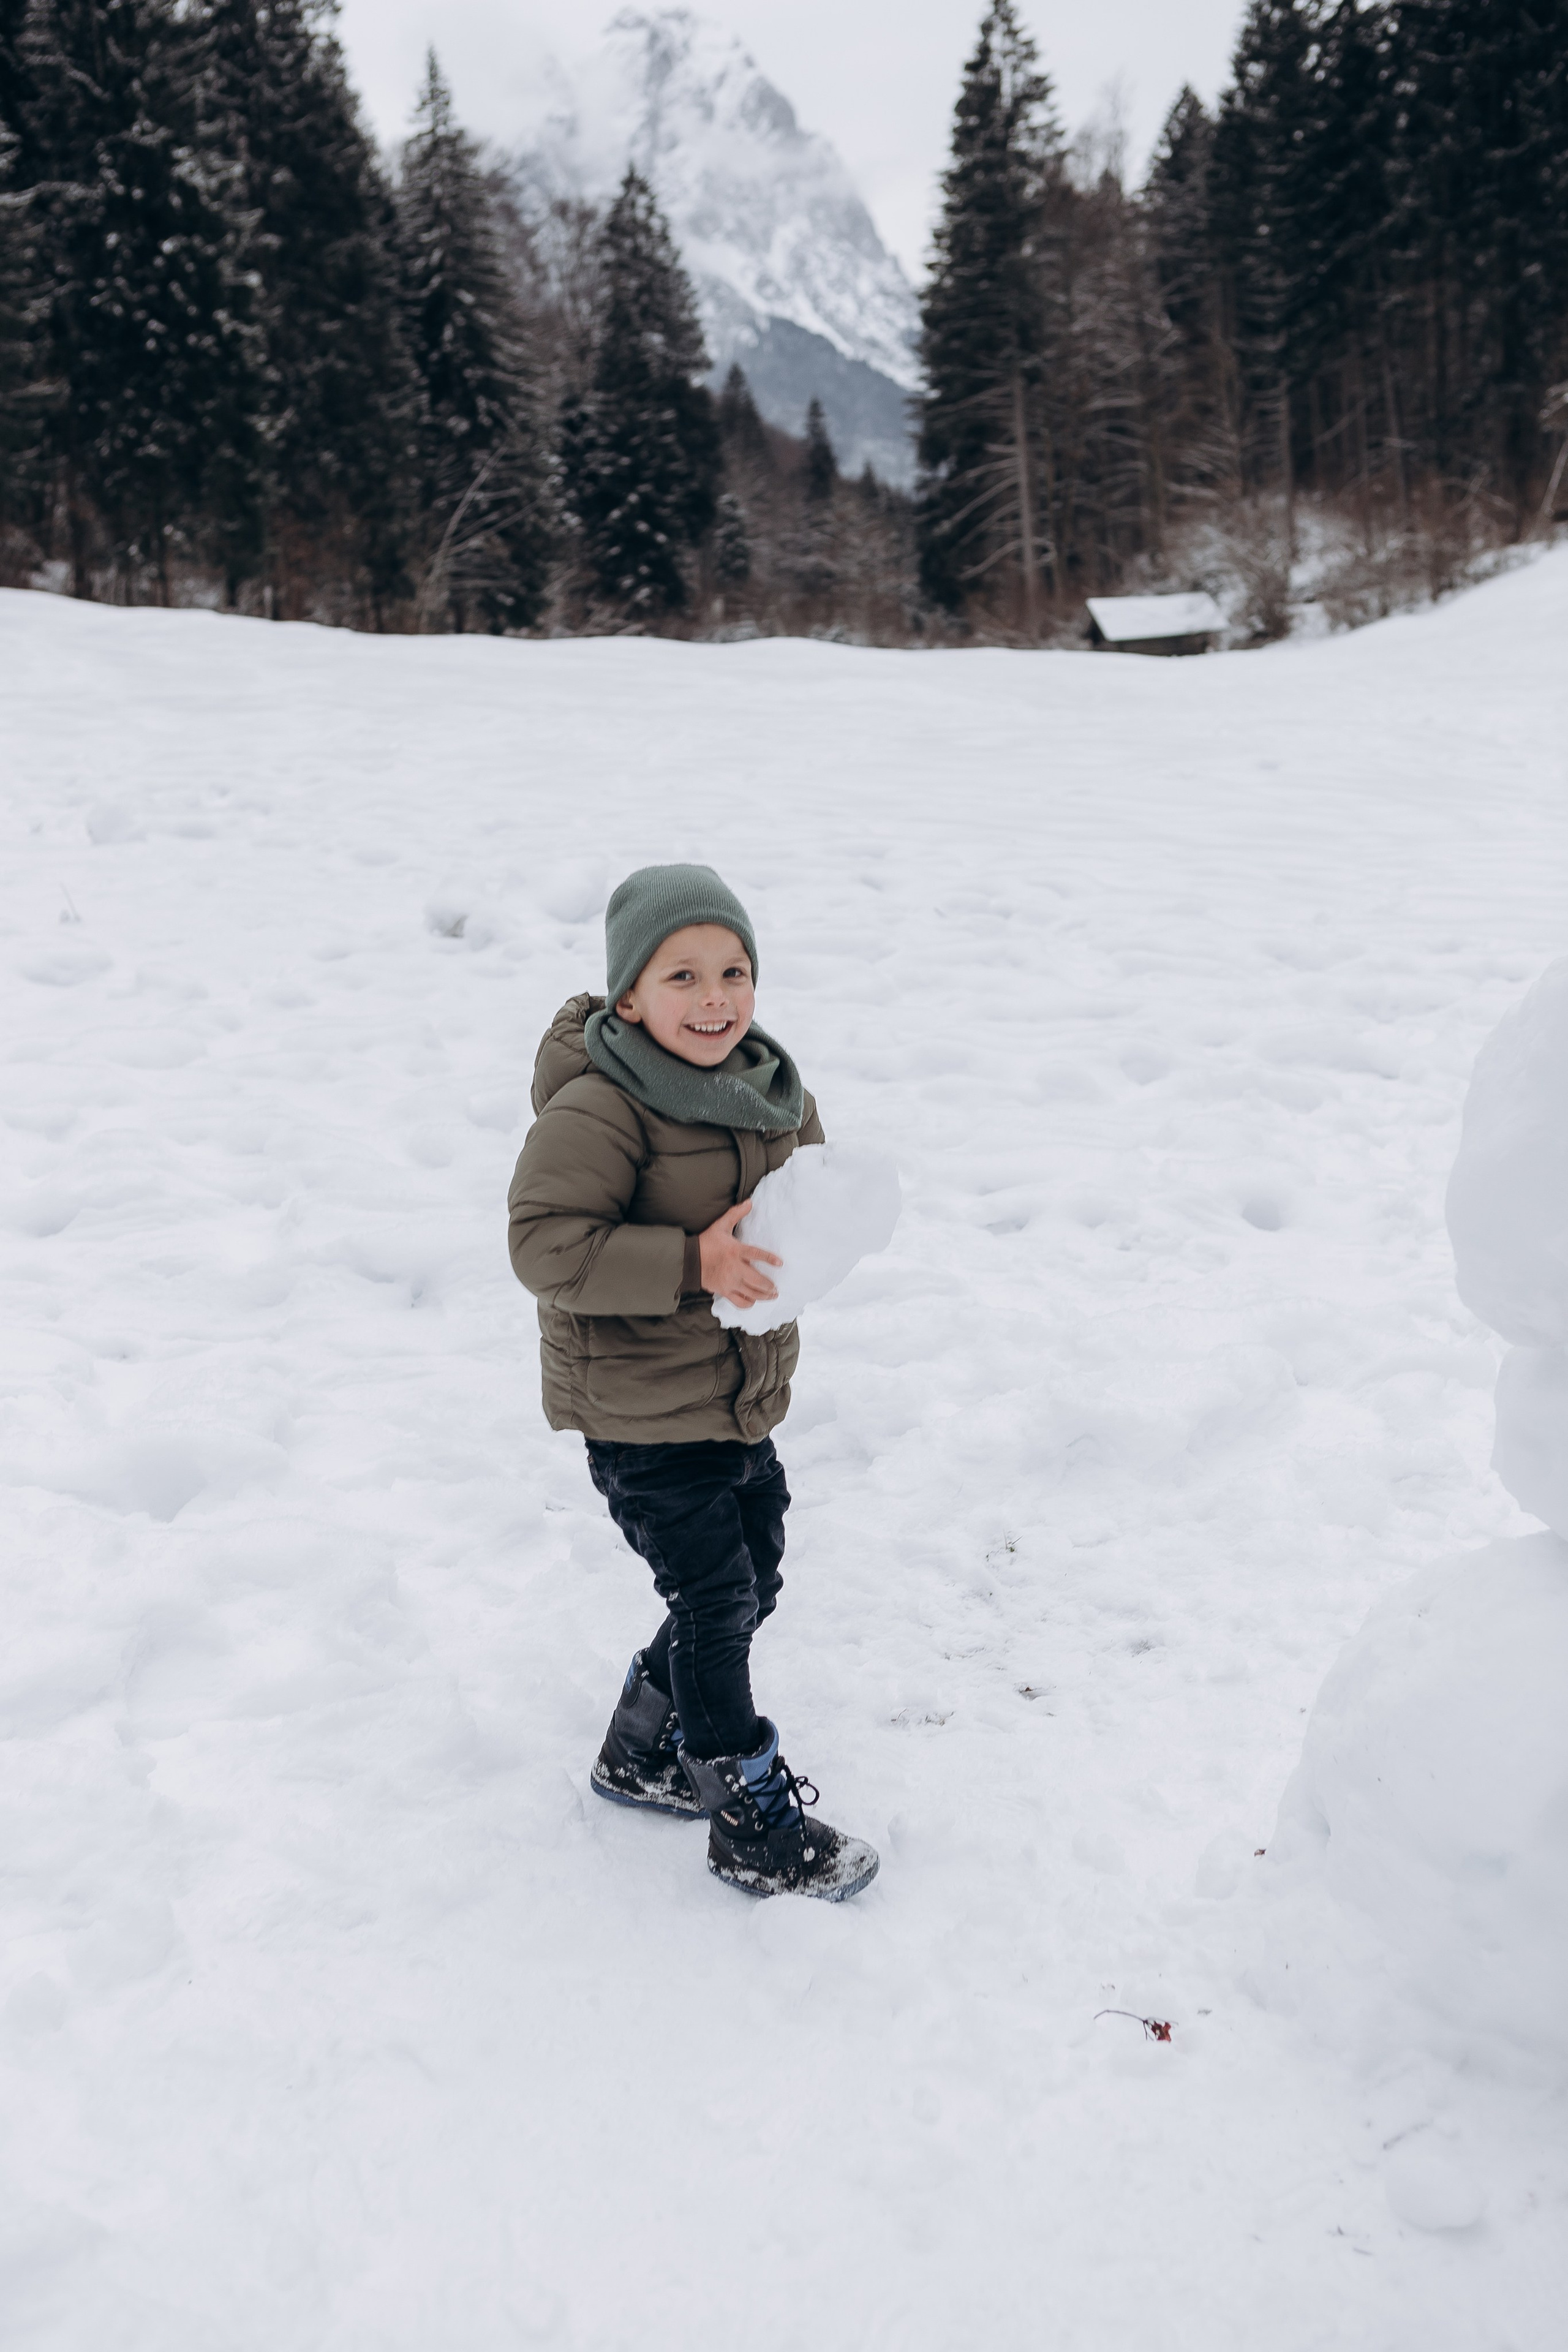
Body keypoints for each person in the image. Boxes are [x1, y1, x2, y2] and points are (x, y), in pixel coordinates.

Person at [507, 864, 878, 1902]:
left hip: (731, 1397)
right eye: (683, 977)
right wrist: (691, 1261)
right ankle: (748, 1820)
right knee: (718, 1602)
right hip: (639, 1412)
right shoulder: (600, 1109)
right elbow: (544, 1246)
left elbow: (804, 1191)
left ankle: (641, 1745)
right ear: (629, 996)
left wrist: (833, 1219)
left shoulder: (766, 1088)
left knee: (754, 1576)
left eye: (733, 972)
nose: (714, 998)